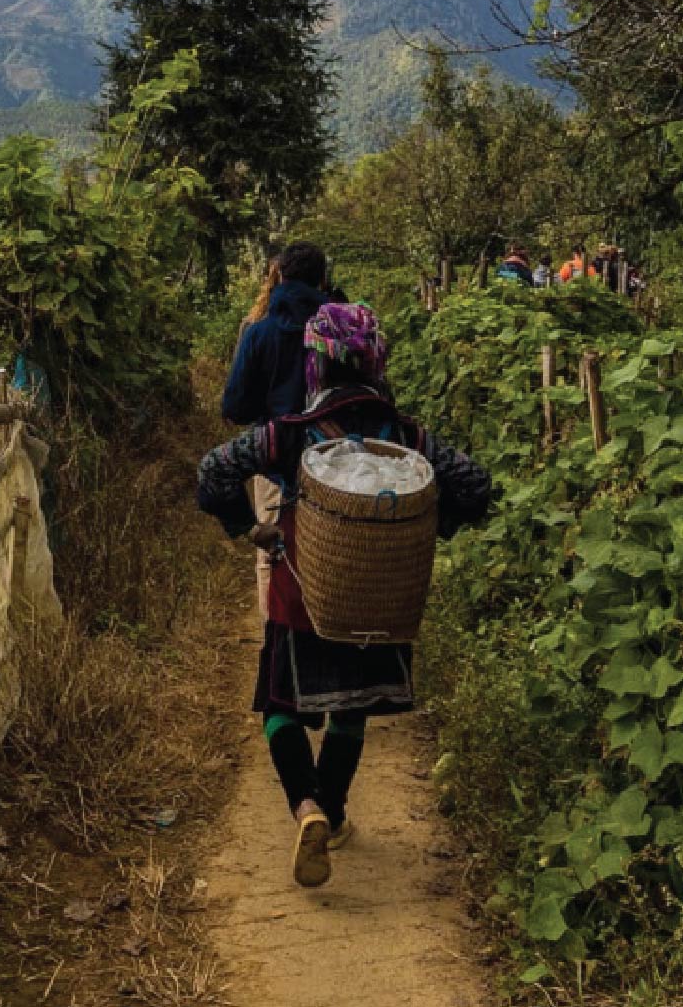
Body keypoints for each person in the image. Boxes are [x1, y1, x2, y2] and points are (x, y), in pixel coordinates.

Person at [197, 304, 492, 888]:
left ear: (316, 365)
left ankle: (306, 807)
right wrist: (425, 527)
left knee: (280, 707)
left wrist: (251, 527)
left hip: (303, 587)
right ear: (375, 362)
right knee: (350, 708)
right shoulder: (407, 436)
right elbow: (476, 486)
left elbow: (213, 473)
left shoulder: (288, 435)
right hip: (378, 595)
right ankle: (331, 813)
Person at [220, 242, 332, 426]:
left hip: (276, 439)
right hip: (331, 444)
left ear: (280, 276)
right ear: (322, 280)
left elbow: (235, 409)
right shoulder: (340, 331)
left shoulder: (257, 332)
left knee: (213, 457)